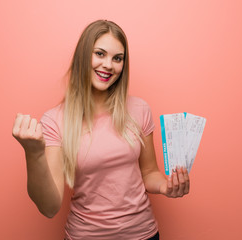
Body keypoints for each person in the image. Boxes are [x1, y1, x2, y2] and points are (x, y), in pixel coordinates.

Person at [12, 20, 189, 240]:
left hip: (143, 234)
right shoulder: (55, 120)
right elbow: (49, 207)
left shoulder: (139, 109)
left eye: (118, 58)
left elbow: (149, 173)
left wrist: (165, 186)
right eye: (100, 54)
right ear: (83, 56)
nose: (109, 65)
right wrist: (34, 153)